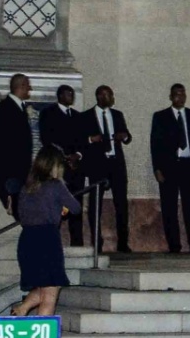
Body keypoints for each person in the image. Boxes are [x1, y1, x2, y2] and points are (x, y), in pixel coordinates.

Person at [12, 149, 80, 317]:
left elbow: (21, 213)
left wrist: (54, 208)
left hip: (27, 239)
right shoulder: (55, 185)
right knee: (50, 292)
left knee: (45, 286)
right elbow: (76, 208)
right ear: (55, 166)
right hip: (47, 239)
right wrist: (61, 208)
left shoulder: (26, 187)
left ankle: (22, 309)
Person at [150, 83, 190, 254]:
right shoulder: (160, 117)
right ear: (171, 97)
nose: (180, 97)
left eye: (183, 94)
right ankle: (174, 246)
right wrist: (157, 169)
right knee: (169, 207)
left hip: (189, 165)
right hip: (168, 167)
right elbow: (155, 144)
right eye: (177, 94)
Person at [81, 84, 134, 253]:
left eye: (111, 95)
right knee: (95, 205)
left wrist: (125, 136)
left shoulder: (117, 115)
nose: (112, 98)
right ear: (100, 96)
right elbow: (79, 140)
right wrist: (90, 139)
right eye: (109, 95)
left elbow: (127, 135)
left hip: (116, 163)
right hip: (97, 165)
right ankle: (97, 242)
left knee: (122, 204)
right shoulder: (86, 116)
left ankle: (123, 243)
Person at [39, 84, 89, 246]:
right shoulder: (48, 114)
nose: (71, 97)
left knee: (76, 203)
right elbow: (47, 139)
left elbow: (83, 141)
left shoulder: (78, 116)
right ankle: (51, 240)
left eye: (72, 94)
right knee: (56, 204)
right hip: (57, 167)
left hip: (76, 169)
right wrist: (64, 157)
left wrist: (78, 155)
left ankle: (77, 241)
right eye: (68, 94)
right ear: (60, 96)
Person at [0, 73, 36, 215]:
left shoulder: (20, 108)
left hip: (20, 170)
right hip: (9, 170)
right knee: (1, 207)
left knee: (19, 208)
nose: (30, 88)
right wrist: (5, 166)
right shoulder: (4, 108)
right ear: (21, 86)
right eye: (28, 85)